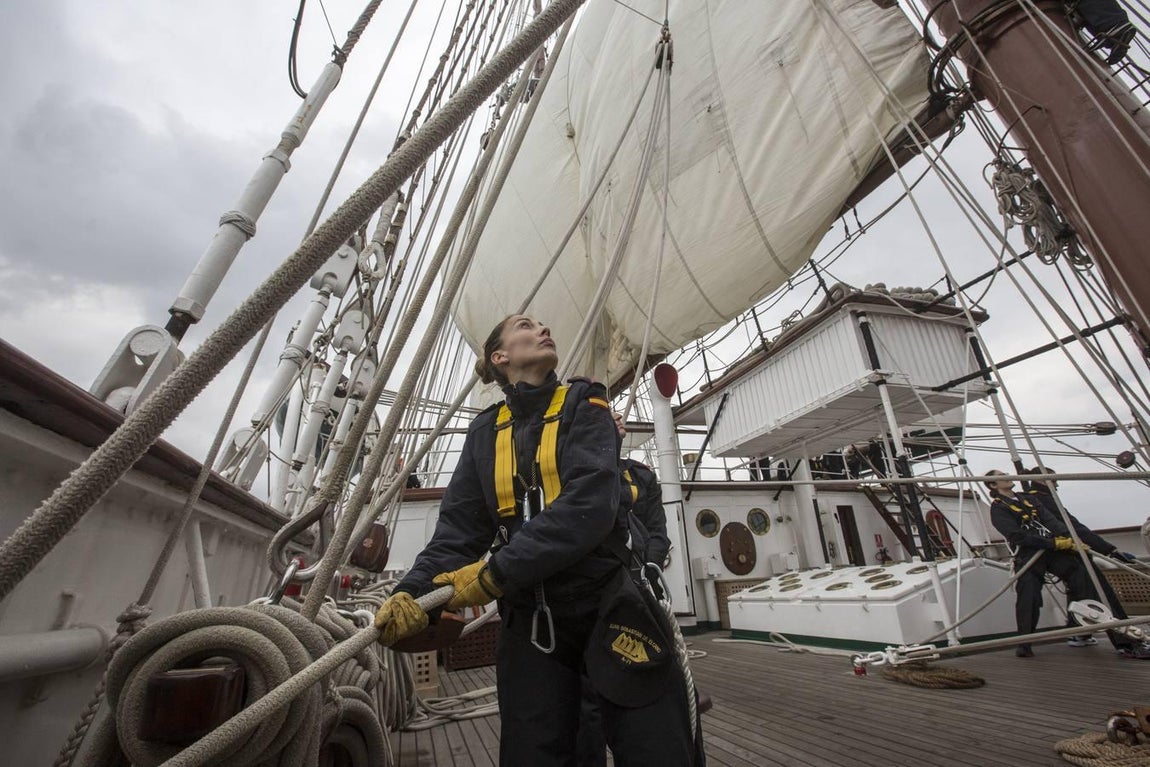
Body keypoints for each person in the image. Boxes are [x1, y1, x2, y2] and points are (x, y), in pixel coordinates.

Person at [374, 315, 697, 765]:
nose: (545, 328)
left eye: (547, 324)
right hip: (530, 622)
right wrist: (413, 590)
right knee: (534, 752)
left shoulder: (587, 403)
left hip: (609, 603)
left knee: (658, 748)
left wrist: (494, 574)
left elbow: (590, 504)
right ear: (499, 356)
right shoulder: (484, 431)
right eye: (527, 325)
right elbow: (459, 531)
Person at [576, 415, 676, 767]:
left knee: (648, 702)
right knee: (584, 711)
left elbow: (657, 533)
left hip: (636, 598)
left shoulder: (642, 476)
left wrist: (643, 575)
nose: (614, 419)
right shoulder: (572, 474)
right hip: (586, 605)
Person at [986, 469, 1149, 659]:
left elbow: (1052, 521)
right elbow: (1015, 535)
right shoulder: (998, 508)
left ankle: (1122, 641)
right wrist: (1052, 542)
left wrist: (1069, 539)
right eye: (1001, 475)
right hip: (1029, 553)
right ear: (993, 485)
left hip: (1054, 552)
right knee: (1029, 597)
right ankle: (1024, 644)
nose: (1007, 475)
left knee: (1087, 582)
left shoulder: (1029, 499)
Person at [1024, 466, 1139, 647]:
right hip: (1069, 552)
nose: (1057, 483)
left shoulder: (1033, 497)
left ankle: (1079, 632)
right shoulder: (1043, 499)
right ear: (1041, 479)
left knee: (1080, 591)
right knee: (1101, 592)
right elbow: (1073, 527)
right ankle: (1127, 642)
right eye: (1053, 479)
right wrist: (1109, 550)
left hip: (1056, 555)